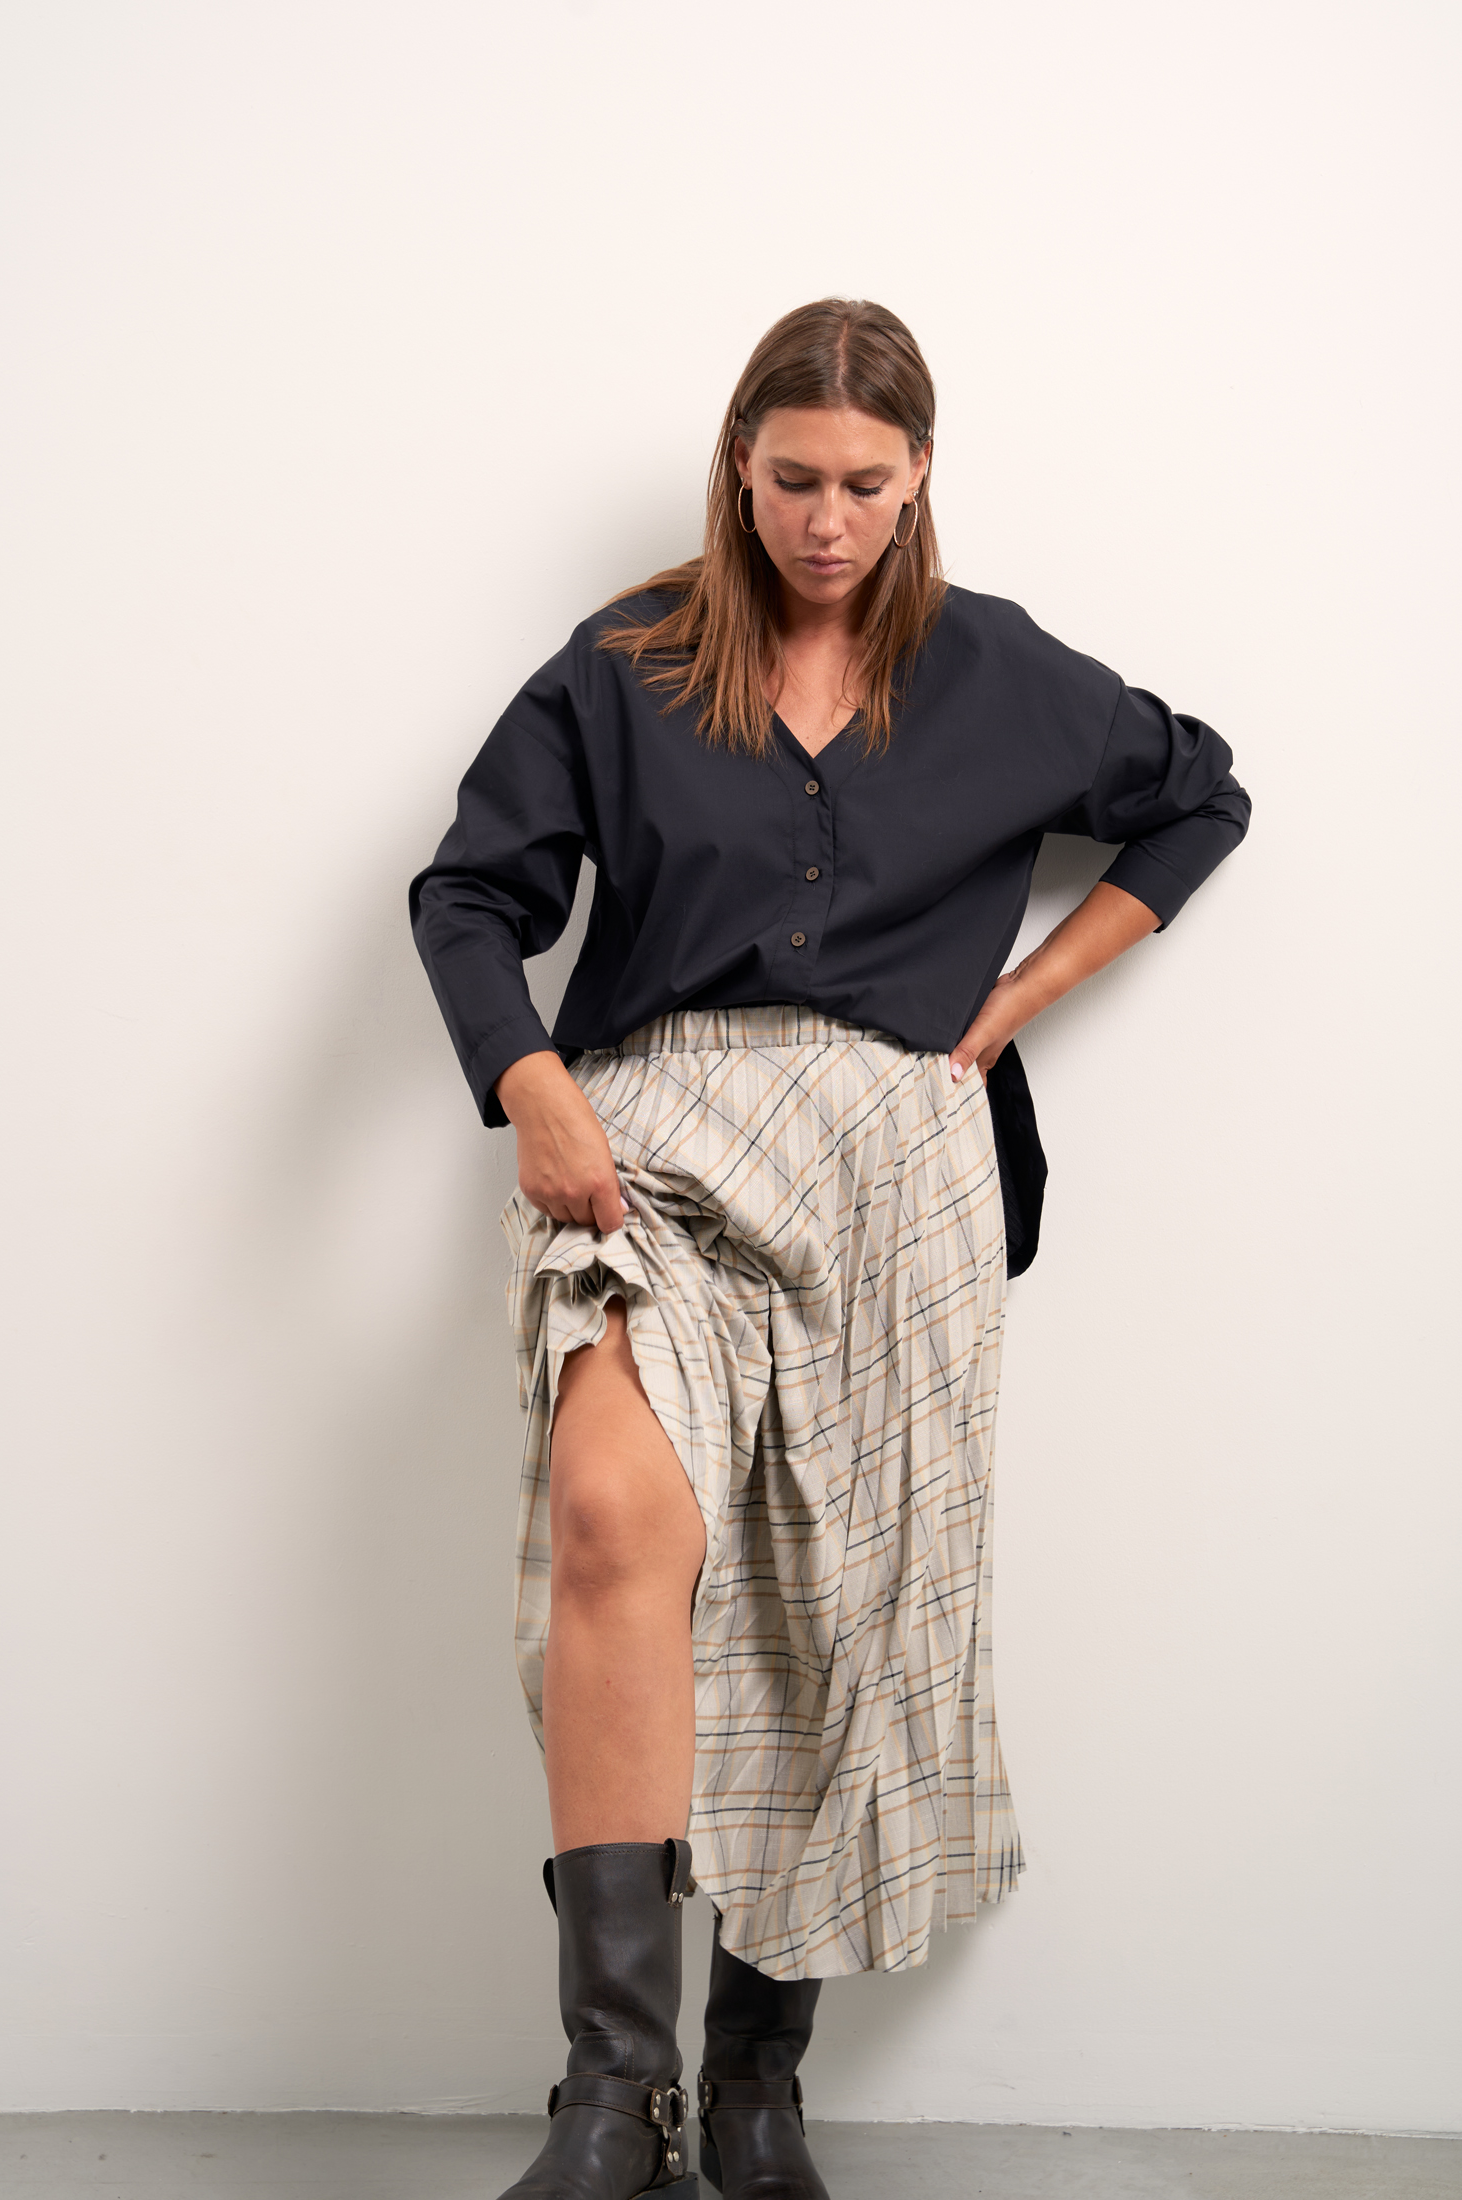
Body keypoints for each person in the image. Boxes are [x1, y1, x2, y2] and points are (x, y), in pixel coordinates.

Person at [409, 298, 1250, 2200]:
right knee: (615, 1518)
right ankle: (610, 2099)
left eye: (868, 484)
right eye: (794, 479)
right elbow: (468, 895)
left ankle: (756, 2082)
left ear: (921, 474)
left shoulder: (998, 670)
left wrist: (1019, 999)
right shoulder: (625, 664)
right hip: (654, 1154)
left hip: (893, 1174)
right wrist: (531, 1083)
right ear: (740, 462)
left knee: (830, 1595)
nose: (828, 520)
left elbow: (1201, 792)